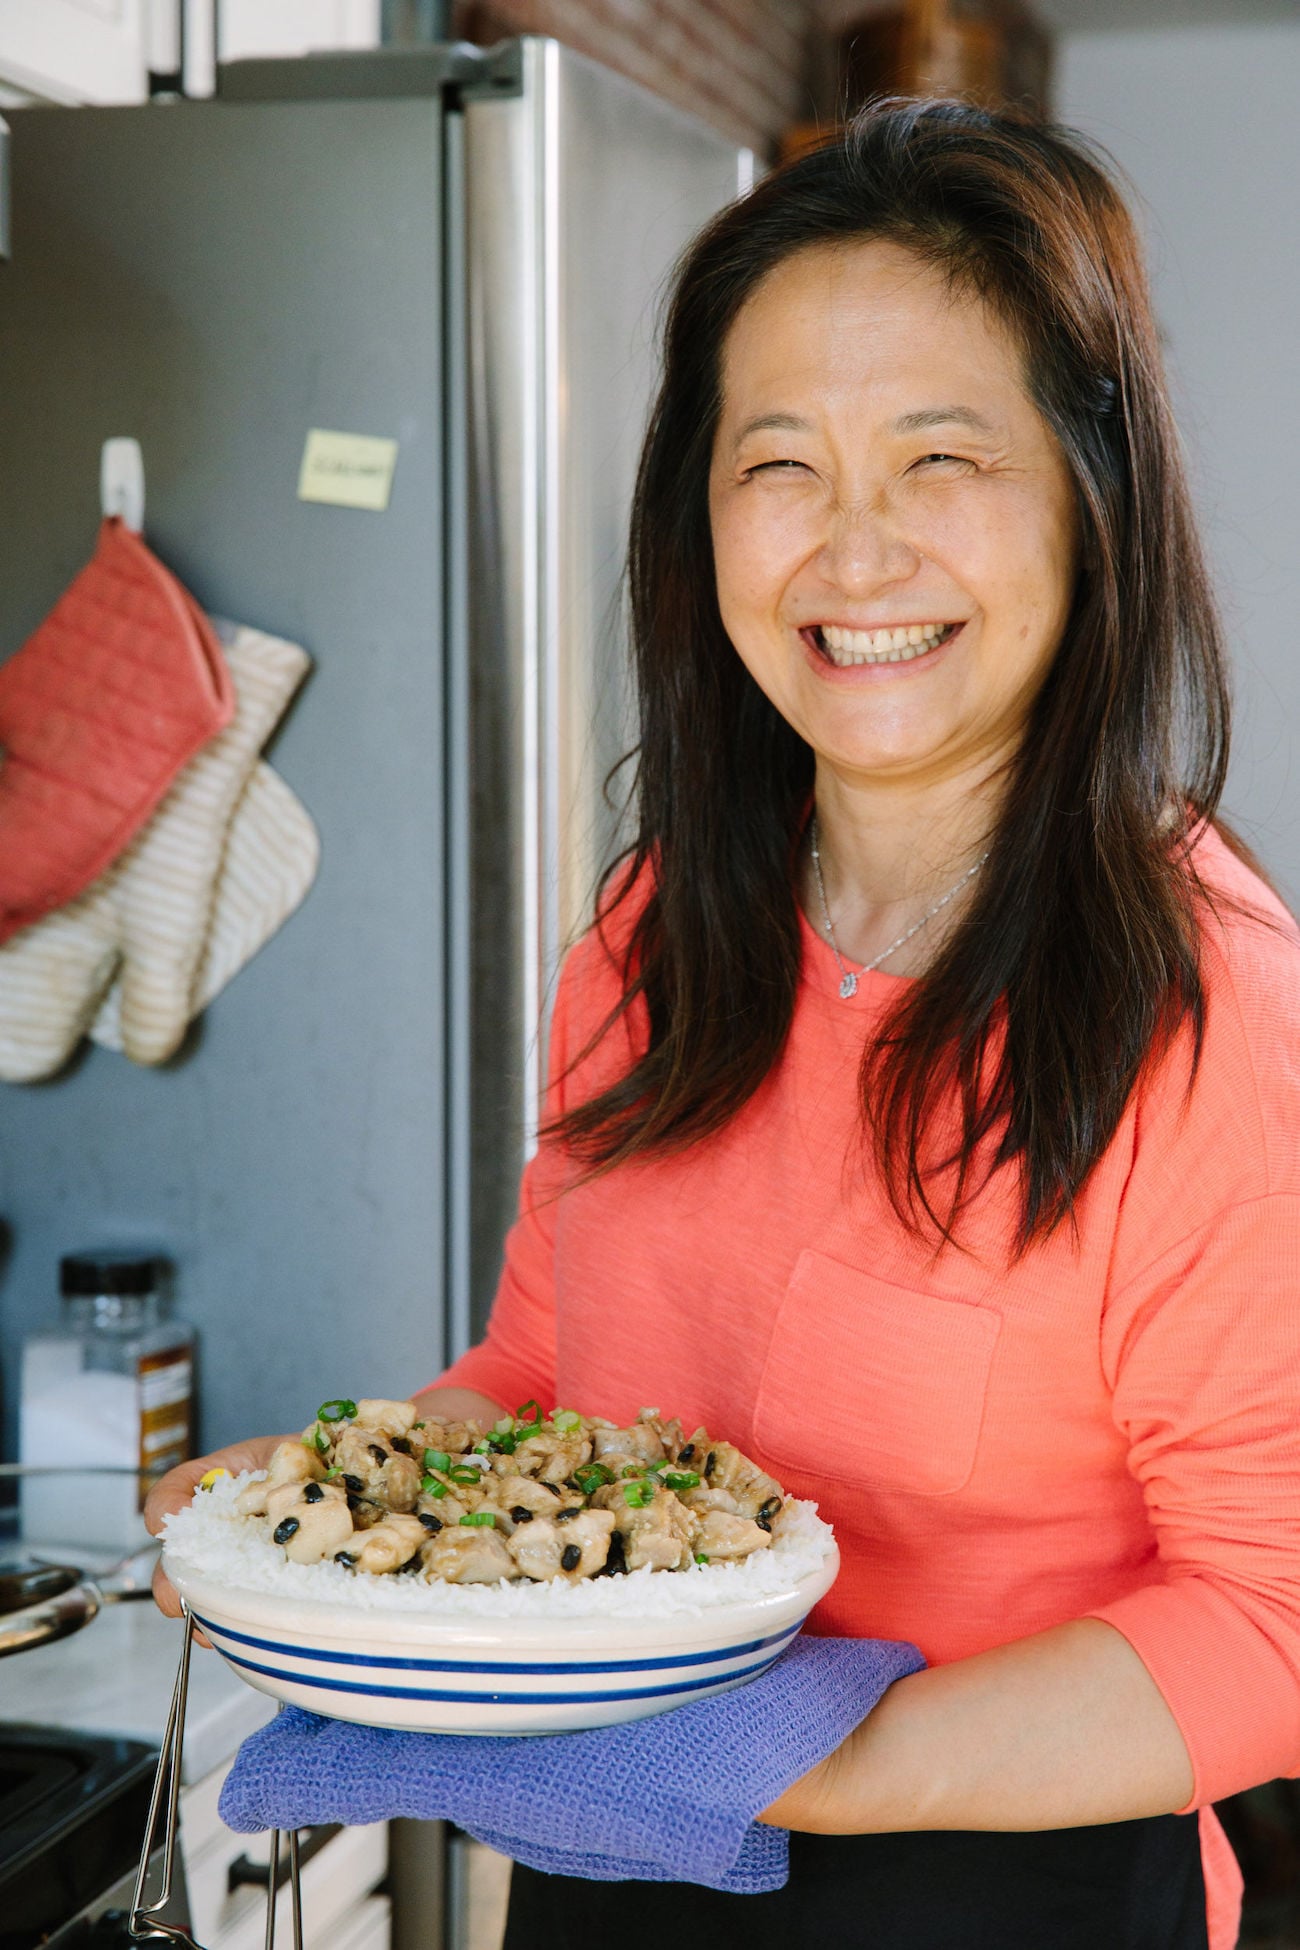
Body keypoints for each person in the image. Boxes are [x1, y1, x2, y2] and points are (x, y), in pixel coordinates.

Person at [148, 99, 1300, 1950]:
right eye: (783, 464)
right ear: (703, 513)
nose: (856, 551)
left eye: (941, 456)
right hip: (616, 1877)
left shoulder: (1206, 999)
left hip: (1018, 1887)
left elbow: (1274, 1615)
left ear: (1094, 495)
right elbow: (541, 1379)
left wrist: (806, 1763)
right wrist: (320, 1517)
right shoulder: (652, 934)